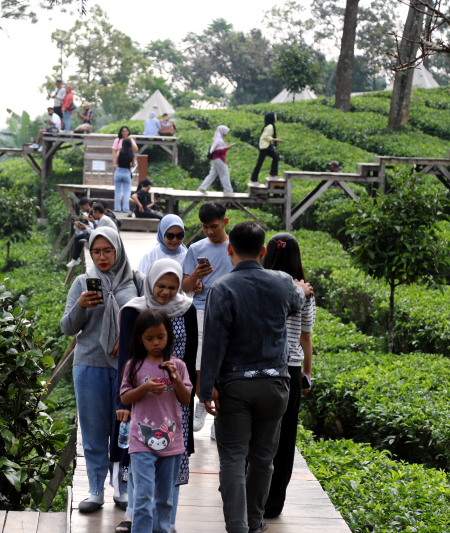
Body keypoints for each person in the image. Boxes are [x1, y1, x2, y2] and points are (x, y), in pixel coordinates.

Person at [198, 221, 310, 533]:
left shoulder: (222, 288)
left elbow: (214, 343)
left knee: (234, 458)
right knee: (263, 458)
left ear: (229, 249)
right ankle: (254, 521)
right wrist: (297, 288)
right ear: (262, 251)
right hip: (276, 384)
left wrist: (206, 389)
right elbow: (297, 301)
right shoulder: (283, 283)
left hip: (236, 385)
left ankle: (237, 526)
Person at [61, 227, 145, 513]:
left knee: (123, 428)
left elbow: (151, 322)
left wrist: (129, 339)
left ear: (118, 249)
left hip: (127, 368)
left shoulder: (136, 281)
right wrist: (81, 307)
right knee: (94, 428)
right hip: (89, 365)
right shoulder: (83, 282)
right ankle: (96, 488)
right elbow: (67, 328)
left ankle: (120, 487)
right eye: (96, 252)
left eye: (107, 250)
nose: (102, 256)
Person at [116, 260, 198, 533]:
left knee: (164, 498)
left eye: (161, 337)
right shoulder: (134, 366)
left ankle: (163, 529)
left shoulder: (179, 366)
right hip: (141, 440)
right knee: (143, 496)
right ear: (140, 339)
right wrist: (145, 388)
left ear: (168, 337)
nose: (155, 343)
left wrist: (176, 380)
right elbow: (126, 397)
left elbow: (187, 400)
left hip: (172, 441)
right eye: (149, 338)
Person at [262, 233, 316, 519]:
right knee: (285, 438)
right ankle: (274, 503)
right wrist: (307, 372)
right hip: (290, 371)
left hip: (261, 367)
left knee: (258, 435)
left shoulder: (261, 287)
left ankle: (251, 496)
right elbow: (306, 337)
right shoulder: (305, 293)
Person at [181, 202, 231, 440]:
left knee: (226, 363)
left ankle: (219, 415)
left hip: (229, 312)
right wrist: (195, 276)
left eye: (214, 226)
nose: (210, 232)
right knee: (200, 361)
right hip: (200, 308)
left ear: (225, 222)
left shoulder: (235, 248)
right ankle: (203, 401)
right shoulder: (196, 248)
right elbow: (186, 287)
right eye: (205, 227)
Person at [198, 126, 235, 195]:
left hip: (215, 159)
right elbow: (219, 151)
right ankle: (228, 191)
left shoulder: (217, 138)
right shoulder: (219, 140)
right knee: (225, 174)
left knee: (212, 174)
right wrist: (228, 148)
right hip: (218, 159)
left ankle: (202, 188)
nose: (226, 134)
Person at [250, 112, 283, 184]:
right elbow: (266, 136)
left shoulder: (269, 126)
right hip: (265, 147)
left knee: (275, 158)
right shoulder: (270, 126)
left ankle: (273, 174)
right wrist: (276, 140)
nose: (276, 117)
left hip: (266, 146)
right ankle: (253, 180)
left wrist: (272, 144)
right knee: (260, 163)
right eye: (275, 116)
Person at [113, 127, 138, 213]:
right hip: (127, 172)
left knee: (117, 191)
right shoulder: (131, 154)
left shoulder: (119, 152)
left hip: (119, 171)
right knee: (127, 192)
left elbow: (116, 162)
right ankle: (126, 209)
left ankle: (117, 208)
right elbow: (133, 165)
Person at [66, 198, 96, 269]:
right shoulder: (91, 212)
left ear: (87, 205)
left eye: (82, 207)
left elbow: (93, 225)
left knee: (78, 237)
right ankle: (75, 258)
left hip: (94, 233)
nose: (82, 209)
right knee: (77, 237)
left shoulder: (92, 213)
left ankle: (75, 258)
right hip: (91, 230)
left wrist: (84, 224)